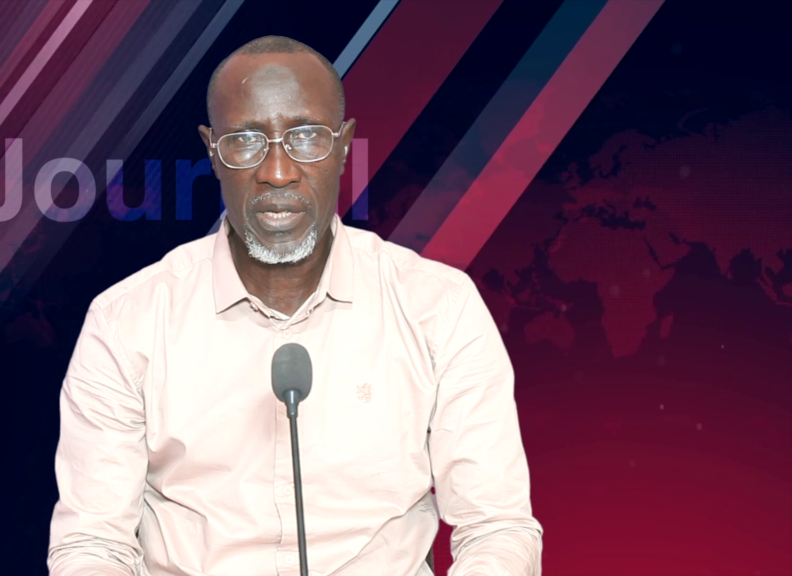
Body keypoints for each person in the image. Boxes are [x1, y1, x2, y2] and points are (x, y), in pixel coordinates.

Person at [48, 36, 543, 576]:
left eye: (307, 137)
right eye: (245, 141)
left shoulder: (438, 307)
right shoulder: (127, 322)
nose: (278, 172)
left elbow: (496, 528)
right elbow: (92, 546)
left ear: (345, 145)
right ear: (212, 152)